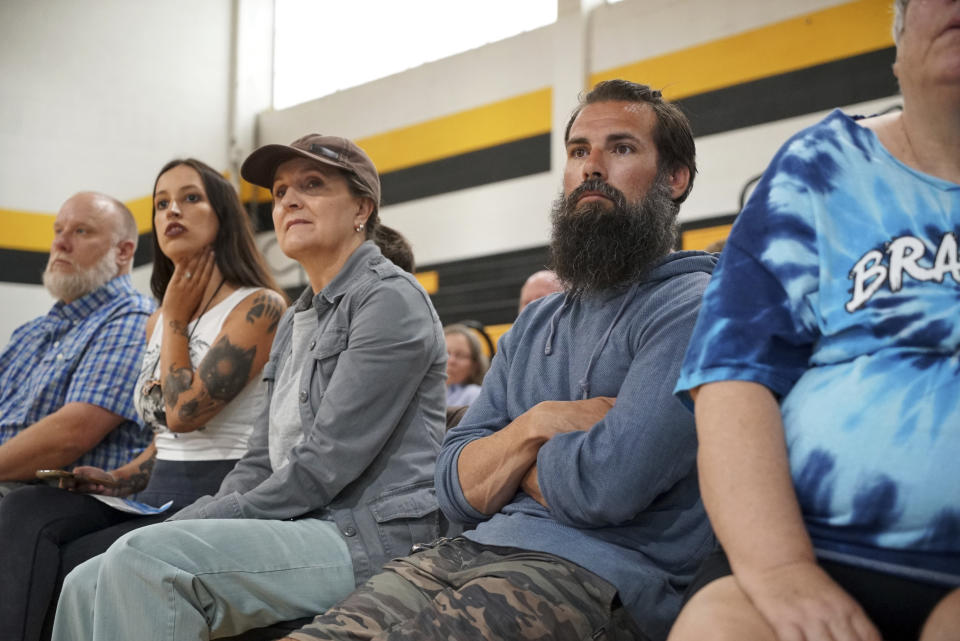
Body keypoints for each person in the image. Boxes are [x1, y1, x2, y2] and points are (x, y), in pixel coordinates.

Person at [268, 79, 717, 641]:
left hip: (597, 573)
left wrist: (503, 461)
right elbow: (453, 483)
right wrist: (539, 424)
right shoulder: (536, 322)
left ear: (675, 179)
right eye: (578, 151)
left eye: (621, 148)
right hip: (466, 550)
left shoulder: (695, 307)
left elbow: (607, 488)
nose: (591, 167)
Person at [52, 134, 448, 641]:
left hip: (368, 537)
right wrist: (200, 516)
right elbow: (259, 461)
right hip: (301, 522)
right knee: (84, 580)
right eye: (281, 192)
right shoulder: (296, 318)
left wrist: (200, 520)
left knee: (145, 559)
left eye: (312, 185)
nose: (289, 201)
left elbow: (324, 465)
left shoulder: (389, 300)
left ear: (362, 209)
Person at [669, 2, 960, 641]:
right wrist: (780, 569)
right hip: (806, 546)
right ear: (898, 41)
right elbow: (732, 380)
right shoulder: (819, 168)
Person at [0, 158, 286, 641]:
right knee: (26, 507)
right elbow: (162, 440)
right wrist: (114, 478)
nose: (173, 210)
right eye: (161, 203)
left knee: (75, 562)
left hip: (218, 492)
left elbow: (184, 413)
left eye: (190, 198)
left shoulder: (258, 306)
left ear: (222, 215)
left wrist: (174, 318)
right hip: (155, 494)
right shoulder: (157, 321)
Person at [0, 192, 154, 497]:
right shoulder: (30, 332)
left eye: (81, 231)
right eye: (58, 231)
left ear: (123, 252)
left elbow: (71, 435)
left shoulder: (134, 318)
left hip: (51, 500)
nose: (60, 243)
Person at [443, 323, 489, 406]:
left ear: (475, 365)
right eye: (445, 353)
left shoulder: (474, 394)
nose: (451, 360)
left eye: (460, 355)